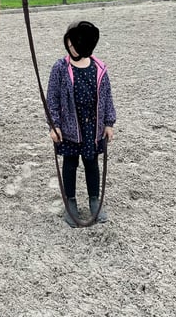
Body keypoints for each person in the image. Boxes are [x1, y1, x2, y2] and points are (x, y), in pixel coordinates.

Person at [46, 20, 116, 227]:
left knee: (92, 164)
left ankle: (94, 201)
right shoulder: (60, 68)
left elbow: (107, 96)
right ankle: (71, 202)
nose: (73, 47)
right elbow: (52, 99)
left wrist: (109, 123)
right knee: (70, 165)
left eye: (76, 43)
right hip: (69, 128)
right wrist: (54, 125)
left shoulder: (99, 68)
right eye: (70, 43)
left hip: (92, 128)